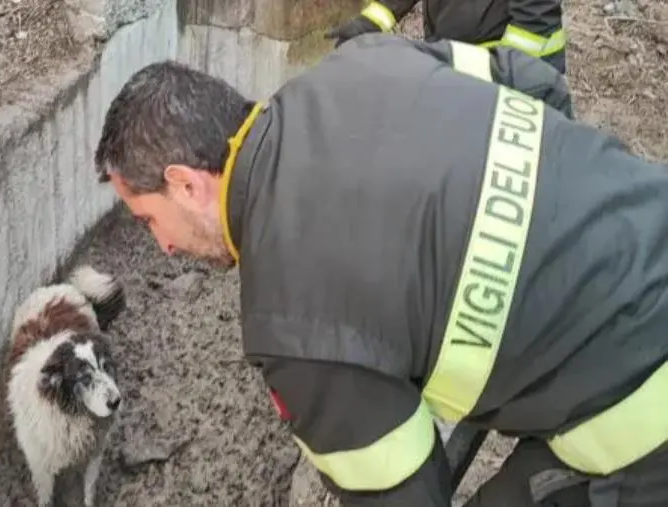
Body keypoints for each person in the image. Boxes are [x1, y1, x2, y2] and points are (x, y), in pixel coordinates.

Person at [93, 33, 668, 507]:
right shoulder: (363, 61)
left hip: (642, 415)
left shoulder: (290, 318)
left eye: (148, 219)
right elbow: (534, 81)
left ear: (186, 185)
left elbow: (403, 493)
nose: (162, 246)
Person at [326, 0, 568, 74]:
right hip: (456, 61)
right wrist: (371, 20)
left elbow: (535, 26)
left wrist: (496, 71)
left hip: (509, 77)